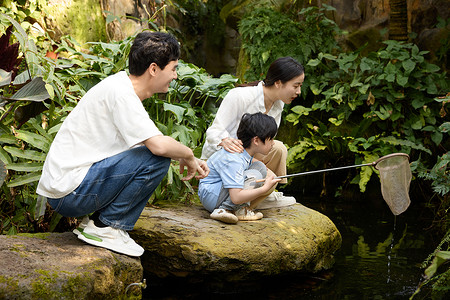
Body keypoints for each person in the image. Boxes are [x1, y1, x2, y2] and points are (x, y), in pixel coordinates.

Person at [37, 31, 209, 257]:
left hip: (69, 189)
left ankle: (98, 223)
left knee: (148, 151)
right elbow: (158, 147)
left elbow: (152, 142)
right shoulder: (121, 94)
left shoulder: (120, 88)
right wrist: (187, 153)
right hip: (71, 193)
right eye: (174, 68)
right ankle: (107, 227)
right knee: (155, 158)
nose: (175, 76)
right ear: (154, 69)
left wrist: (189, 157)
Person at [201, 56, 305, 209]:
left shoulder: (278, 104)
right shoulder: (240, 96)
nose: (299, 91)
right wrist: (224, 140)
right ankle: (245, 204)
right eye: (296, 86)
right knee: (270, 171)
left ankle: (264, 194)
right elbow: (214, 131)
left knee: (278, 148)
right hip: (224, 159)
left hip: (246, 154)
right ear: (278, 83)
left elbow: (265, 141)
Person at [199, 112, 282, 224]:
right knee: (254, 175)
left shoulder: (245, 153)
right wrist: (264, 189)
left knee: (260, 168)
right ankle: (224, 209)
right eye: (270, 139)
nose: (273, 143)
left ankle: (240, 210)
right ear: (256, 140)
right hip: (212, 197)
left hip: (219, 192)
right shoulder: (234, 158)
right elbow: (236, 197)